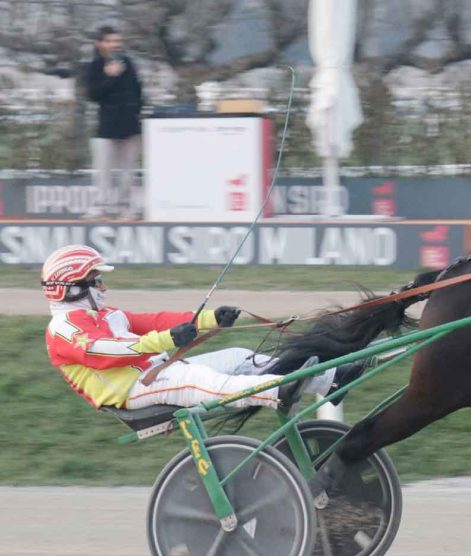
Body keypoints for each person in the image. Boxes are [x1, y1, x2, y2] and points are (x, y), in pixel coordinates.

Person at [41, 245, 358, 410]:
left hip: (156, 371)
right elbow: (107, 352)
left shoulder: (106, 314)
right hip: (133, 390)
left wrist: (209, 319)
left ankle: (329, 380)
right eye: (97, 280)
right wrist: (164, 340)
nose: (103, 287)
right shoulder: (63, 330)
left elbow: (153, 321)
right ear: (72, 287)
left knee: (237, 356)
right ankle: (277, 390)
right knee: (197, 379)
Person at [85, 25, 143, 220]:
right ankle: (100, 207)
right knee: (103, 170)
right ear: (100, 43)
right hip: (106, 126)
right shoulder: (94, 65)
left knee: (128, 171)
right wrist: (109, 77)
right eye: (109, 41)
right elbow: (93, 95)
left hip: (129, 124)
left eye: (117, 41)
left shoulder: (128, 63)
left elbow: (137, 91)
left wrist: (136, 112)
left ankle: (127, 208)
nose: (114, 45)